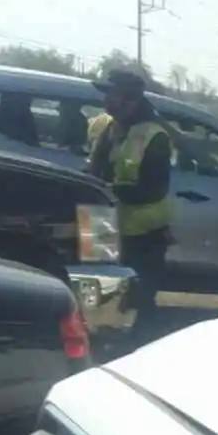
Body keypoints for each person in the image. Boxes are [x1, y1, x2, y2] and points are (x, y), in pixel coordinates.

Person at [87, 69, 176, 342]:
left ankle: (140, 348)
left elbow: (153, 189)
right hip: (100, 220)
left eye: (113, 95)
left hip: (142, 232)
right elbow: (94, 167)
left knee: (139, 297)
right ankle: (99, 340)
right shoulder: (104, 125)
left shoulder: (154, 135)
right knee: (97, 290)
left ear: (131, 100)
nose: (107, 101)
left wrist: (110, 191)